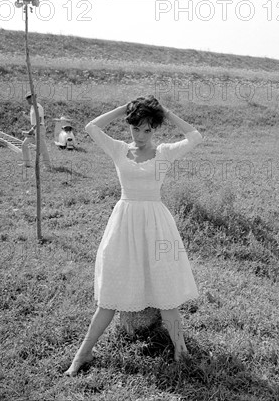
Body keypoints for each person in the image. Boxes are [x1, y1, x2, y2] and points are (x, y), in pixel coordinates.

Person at [64, 96, 204, 376]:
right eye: (135, 128)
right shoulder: (118, 150)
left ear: (155, 129)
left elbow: (195, 136)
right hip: (124, 225)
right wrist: (124, 108)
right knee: (110, 296)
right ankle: (83, 353)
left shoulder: (164, 153)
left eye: (147, 130)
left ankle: (181, 348)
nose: (140, 136)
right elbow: (91, 127)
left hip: (157, 225)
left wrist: (166, 111)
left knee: (166, 294)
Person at [21, 93, 51, 167]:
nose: (27, 101)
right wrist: (25, 116)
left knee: (43, 148)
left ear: (32, 98)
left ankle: (47, 166)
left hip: (39, 129)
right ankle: (26, 163)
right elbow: (34, 120)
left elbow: (39, 120)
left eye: (28, 99)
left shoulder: (37, 107)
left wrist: (31, 130)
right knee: (24, 144)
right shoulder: (32, 107)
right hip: (35, 129)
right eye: (27, 100)